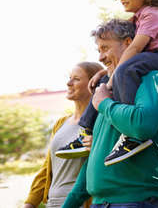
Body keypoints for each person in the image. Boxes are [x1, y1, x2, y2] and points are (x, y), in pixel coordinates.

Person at [57, 0, 158, 166]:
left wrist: (114, 75)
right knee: (104, 81)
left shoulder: (152, 14)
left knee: (124, 70)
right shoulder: (136, 20)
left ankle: (132, 134)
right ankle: (85, 134)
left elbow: (134, 48)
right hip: (147, 58)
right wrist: (103, 73)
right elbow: (127, 58)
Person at [62, 19, 158, 208]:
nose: (101, 57)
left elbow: (142, 125)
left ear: (129, 43)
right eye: (98, 50)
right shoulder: (108, 89)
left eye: (105, 48)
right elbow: (97, 153)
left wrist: (104, 103)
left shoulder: (152, 79)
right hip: (100, 202)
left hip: (133, 201)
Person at [24, 61, 103, 208]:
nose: (68, 83)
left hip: (82, 203)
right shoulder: (61, 123)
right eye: (69, 78)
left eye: (76, 79)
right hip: (53, 204)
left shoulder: (101, 122)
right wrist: (30, 203)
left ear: (93, 84)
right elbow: (47, 168)